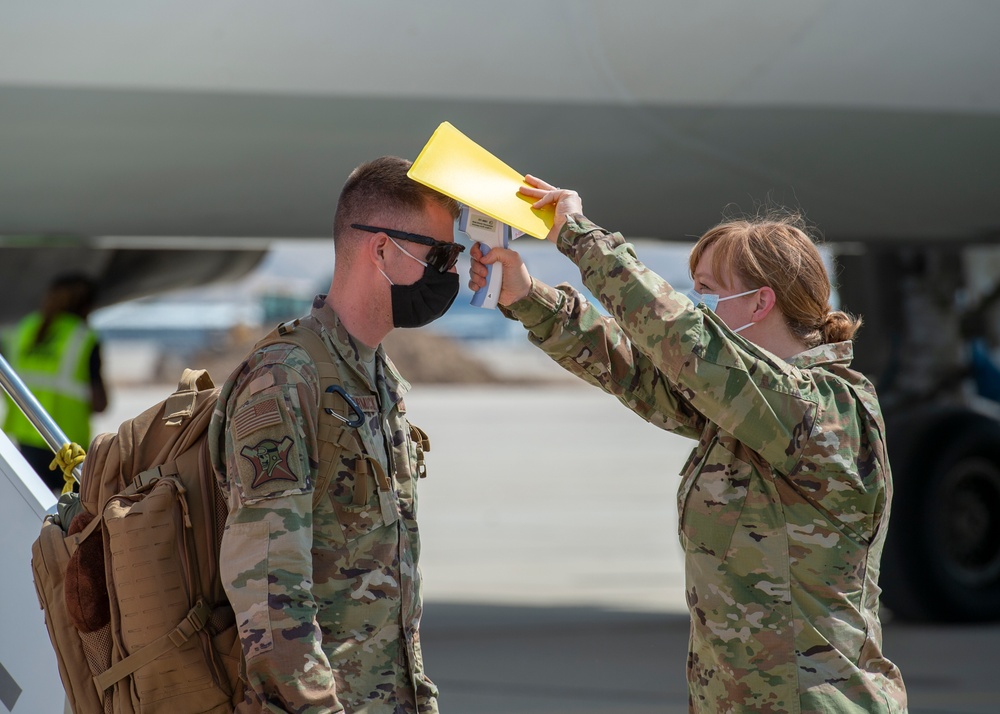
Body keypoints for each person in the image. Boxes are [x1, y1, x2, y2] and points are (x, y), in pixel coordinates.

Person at [469, 175, 908, 713]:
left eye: (708, 290)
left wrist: (580, 237)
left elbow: (684, 342)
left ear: (760, 302)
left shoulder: (819, 411)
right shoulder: (747, 412)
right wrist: (528, 297)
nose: (698, 303)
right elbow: (636, 372)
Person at [208, 156, 463, 713]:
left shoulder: (376, 380)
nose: (449, 273)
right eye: (439, 255)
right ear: (381, 249)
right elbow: (270, 594)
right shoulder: (286, 379)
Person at [2, 273, 108, 492]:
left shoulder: (24, 329)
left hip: (26, 436)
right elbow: (100, 404)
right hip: (67, 442)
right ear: (86, 306)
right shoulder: (82, 337)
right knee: (78, 515)